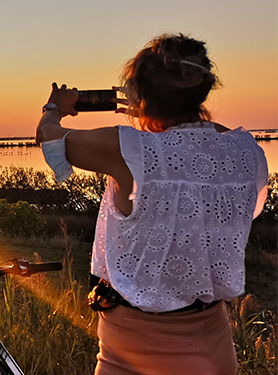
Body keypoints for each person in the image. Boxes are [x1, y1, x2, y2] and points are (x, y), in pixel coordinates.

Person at [36, 34, 269, 374]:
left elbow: (49, 139)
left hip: (133, 348)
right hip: (213, 343)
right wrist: (165, 114)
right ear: (201, 88)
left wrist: (54, 107)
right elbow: (213, 143)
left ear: (141, 94)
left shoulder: (128, 148)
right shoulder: (246, 152)